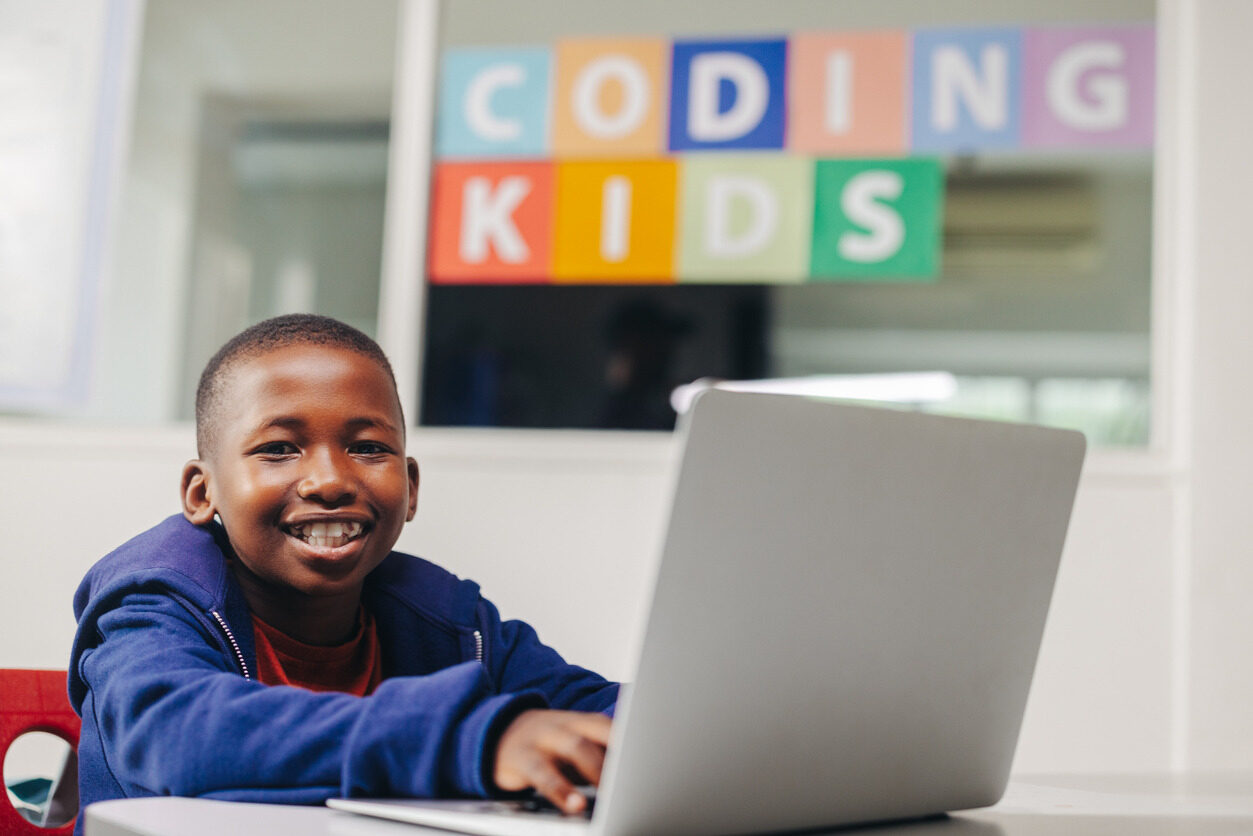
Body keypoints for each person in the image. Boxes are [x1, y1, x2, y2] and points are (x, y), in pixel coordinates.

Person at [68, 314, 618, 834]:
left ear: (411, 488)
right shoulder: (154, 604)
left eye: (367, 448)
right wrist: (475, 740)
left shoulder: (450, 621)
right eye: (279, 449)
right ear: (201, 491)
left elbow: (594, 711)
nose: (329, 480)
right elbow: (178, 735)